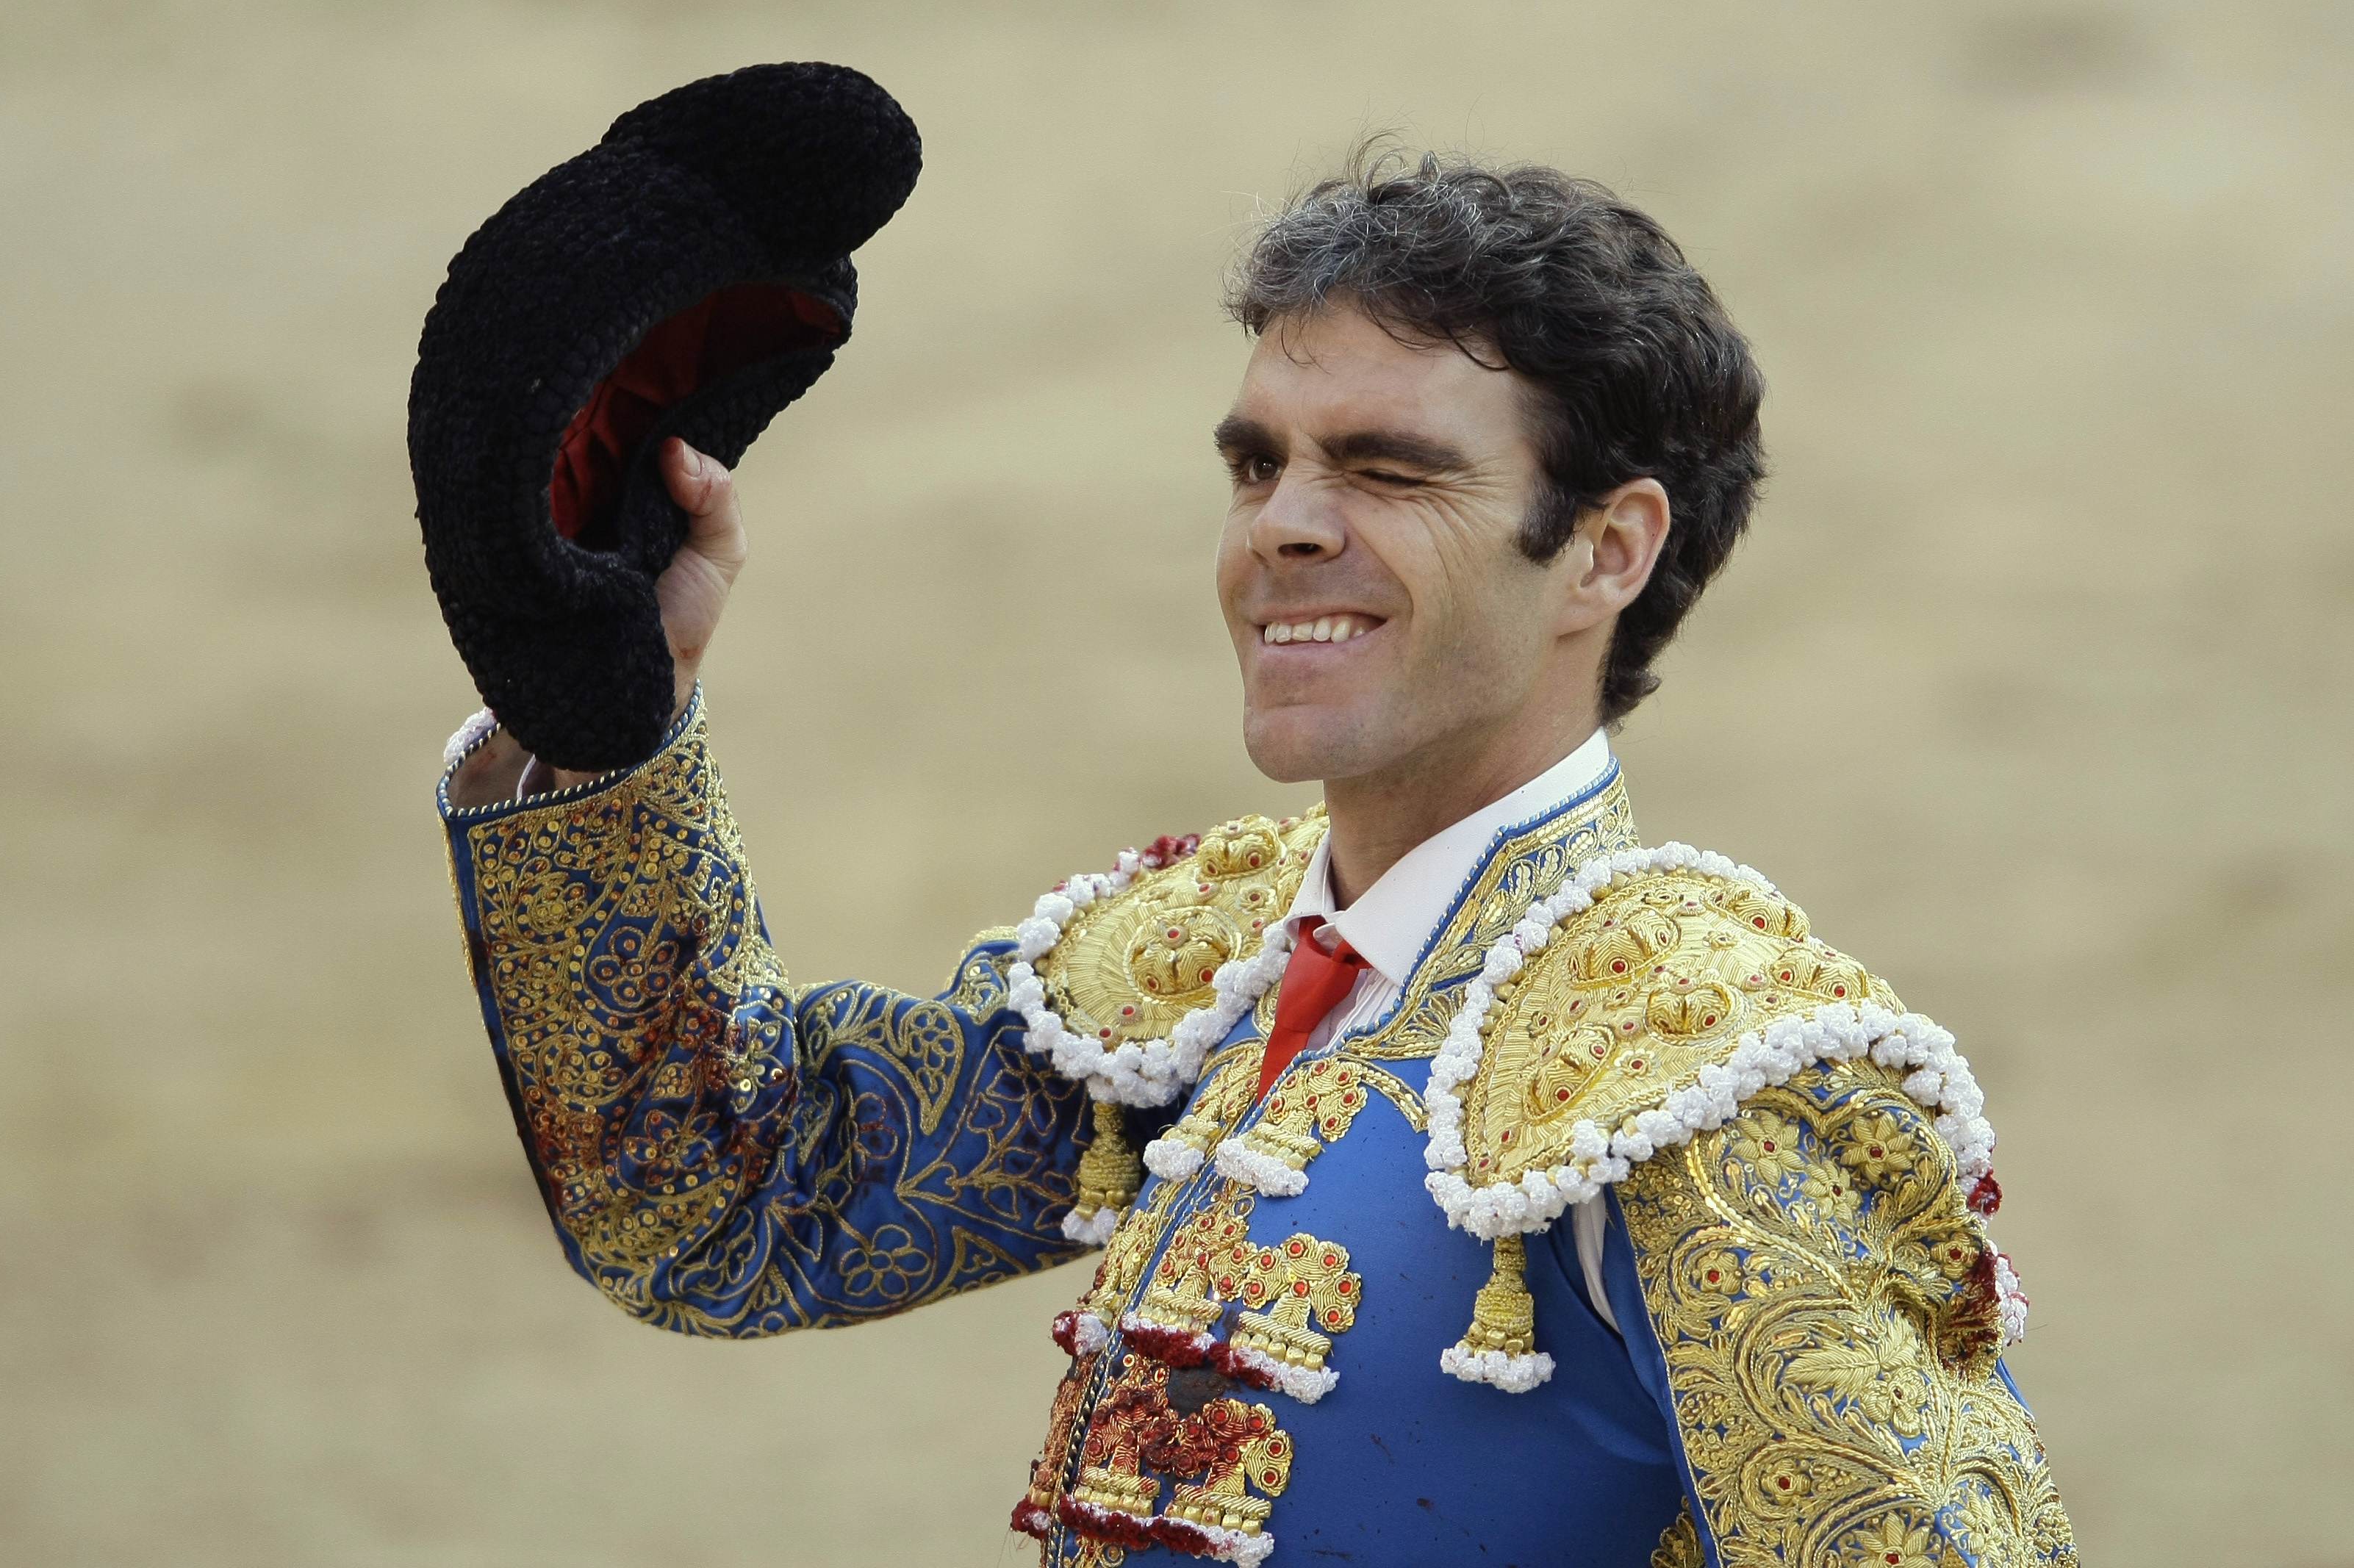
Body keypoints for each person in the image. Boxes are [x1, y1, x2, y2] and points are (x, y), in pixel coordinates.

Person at [436, 152, 2076, 1567]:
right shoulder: (1210, 959)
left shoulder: (1705, 1068)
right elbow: (724, 1210)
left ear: (1606, 549)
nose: (1281, 525)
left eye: (1386, 469)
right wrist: (599, 708)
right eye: (1256, 461)